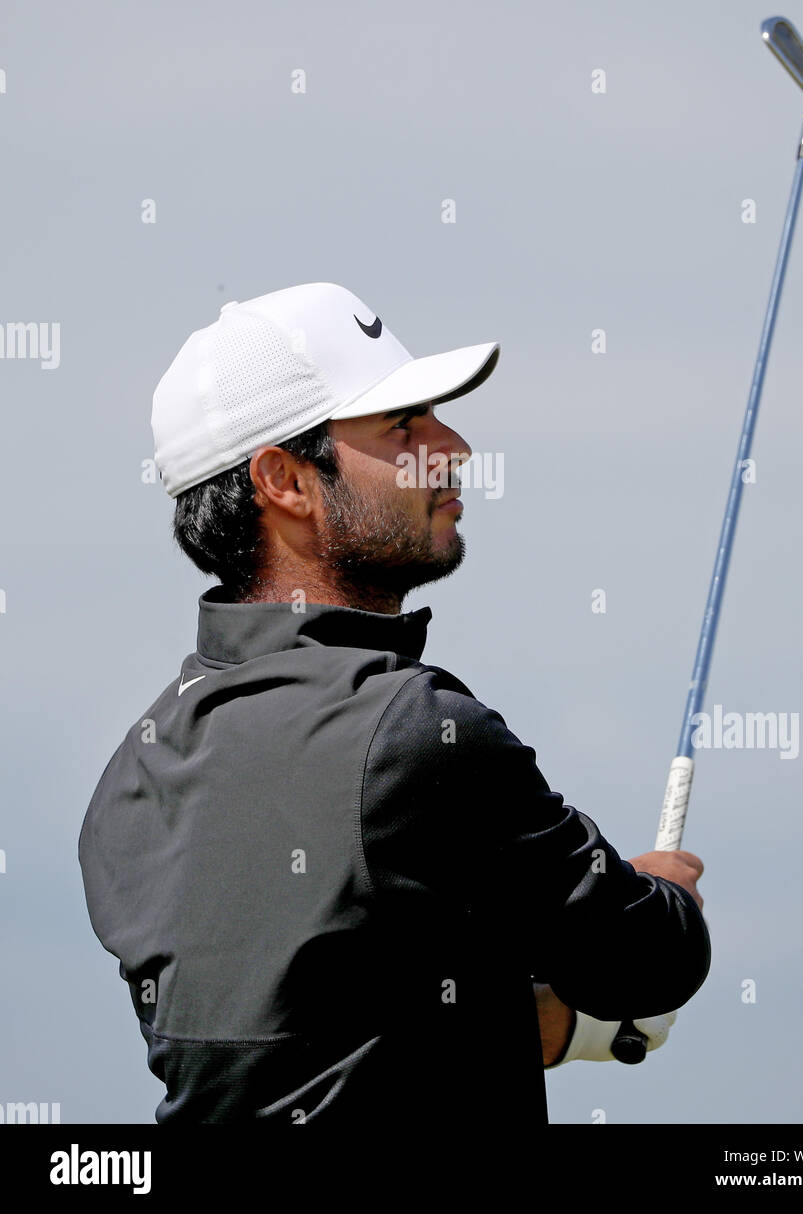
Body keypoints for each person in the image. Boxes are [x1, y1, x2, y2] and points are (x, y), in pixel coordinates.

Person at [78, 280, 710, 1126]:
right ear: (284, 479)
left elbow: (305, 1049)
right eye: (404, 427)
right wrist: (661, 897)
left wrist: (553, 1029)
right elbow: (647, 964)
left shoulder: (131, 773)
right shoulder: (420, 731)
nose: (453, 448)